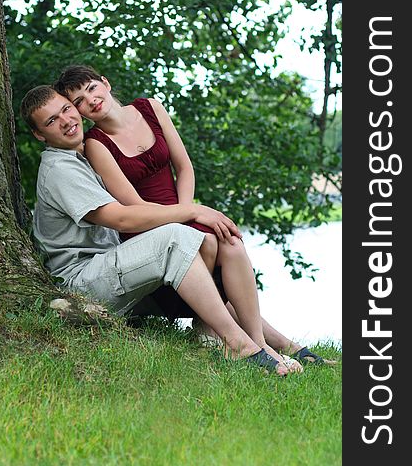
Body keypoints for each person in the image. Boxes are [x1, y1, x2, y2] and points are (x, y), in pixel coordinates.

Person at [53, 66, 334, 367]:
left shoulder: (150, 108)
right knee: (210, 241)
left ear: (105, 83)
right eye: (80, 100)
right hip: (148, 230)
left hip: (183, 210)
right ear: (80, 112)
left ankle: (261, 344)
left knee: (232, 241)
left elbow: (184, 168)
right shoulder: (96, 144)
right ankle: (237, 338)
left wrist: (188, 212)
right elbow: (134, 206)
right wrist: (186, 219)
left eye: (92, 88)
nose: (91, 100)